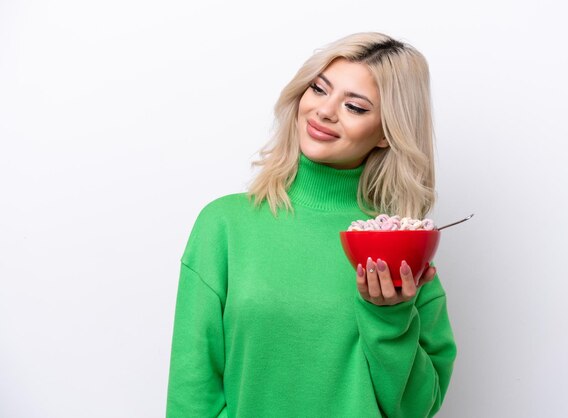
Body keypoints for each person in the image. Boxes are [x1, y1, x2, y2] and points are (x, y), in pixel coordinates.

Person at [166, 32, 456, 418]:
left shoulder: (398, 248)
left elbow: (417, 408)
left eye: (354, 107)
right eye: (319, 89)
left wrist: (390, 317)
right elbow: (191, 391)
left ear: (387, 133)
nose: (324, 111)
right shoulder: (224, 225)